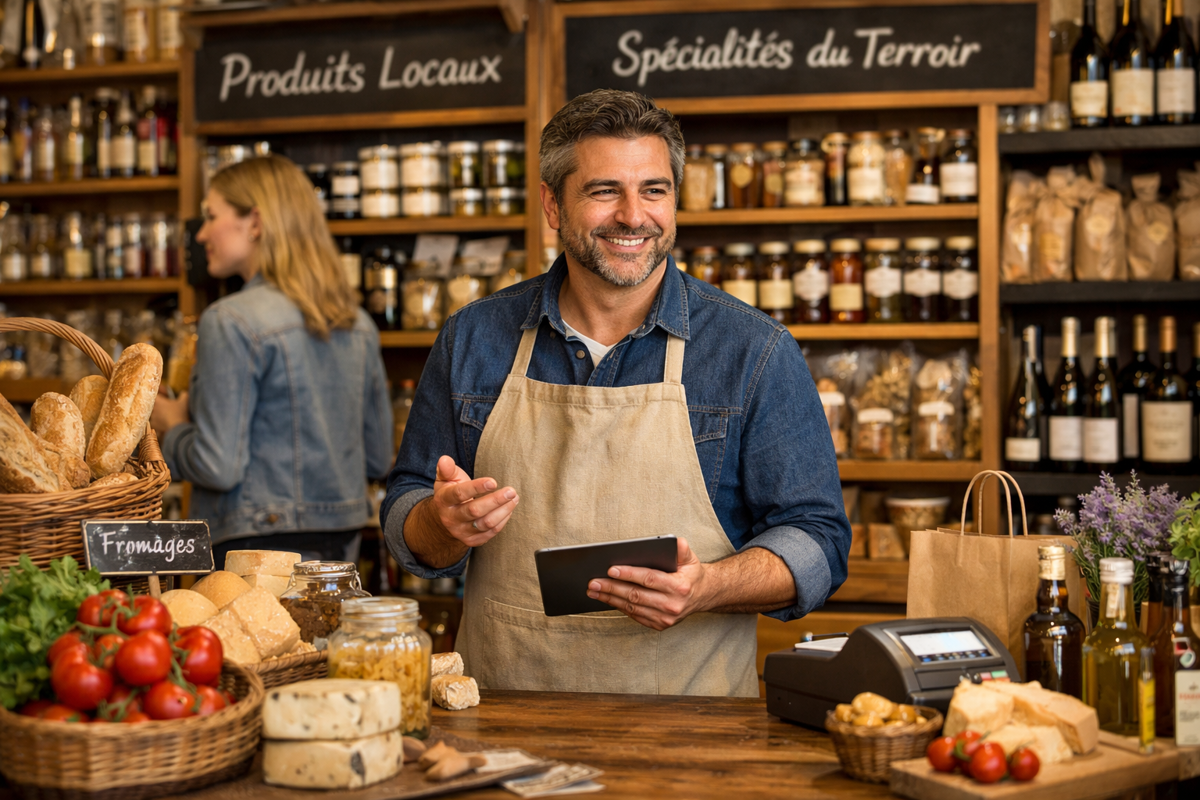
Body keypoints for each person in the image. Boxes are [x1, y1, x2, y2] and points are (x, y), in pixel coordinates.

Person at [383, 90, 850, 697]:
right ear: (553, 203)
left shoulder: (752, 350)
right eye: (605, 191)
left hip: (689, 738)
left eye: (653, 190)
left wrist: (709, 585)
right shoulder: (474, 338)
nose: (634, 215)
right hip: (501, 722)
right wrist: (440, 524)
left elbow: (819, 540)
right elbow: (404, 514)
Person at [151, 155, 393, 568]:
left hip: (253, 546)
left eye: (211, 216)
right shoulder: (357, 323)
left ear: (256, 222)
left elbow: (216, 466)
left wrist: (170, 423)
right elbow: (377, 457)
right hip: (343, 542)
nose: (202, 233)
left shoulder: (230, 320)